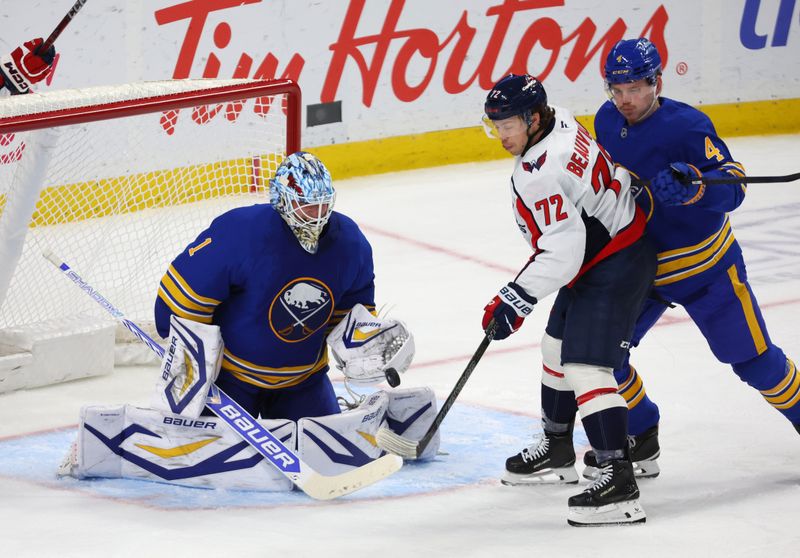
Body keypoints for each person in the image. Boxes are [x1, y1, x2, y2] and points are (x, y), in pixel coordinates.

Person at [581, 37, 799, 479]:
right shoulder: (605, 121)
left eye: (635, 88)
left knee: (754, 362)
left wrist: (697, 186)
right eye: (616, 89)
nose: (624, 100)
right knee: (601, 359)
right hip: (643, 269)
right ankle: (640, 434)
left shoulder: (687, 126)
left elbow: (734, 185)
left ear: (657, 82)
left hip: (707, 270)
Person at [481, 74, 657, 526]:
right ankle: (558, 449)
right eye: (495, 125)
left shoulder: (538, 172)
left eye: (508, 125)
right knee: (555, 349)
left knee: (585, 367)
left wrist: (515, 298)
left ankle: (620, 482)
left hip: (614, 261)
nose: (501, 135)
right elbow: (572, 240)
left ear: (533, 118)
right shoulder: (562, 125)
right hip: (603, 250)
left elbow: (562, 250)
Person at [154, 151, 377, 422]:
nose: (317, 215)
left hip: (304, 380)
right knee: (204, 453)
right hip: (230, 381)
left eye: (322, 204)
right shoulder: (241, 232)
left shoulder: (350, 243)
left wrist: (365, 345)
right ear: (282, 200)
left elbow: (352, 311)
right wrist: (188, 358)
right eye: (306, 204)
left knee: (335, 454)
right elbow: (187, 291)